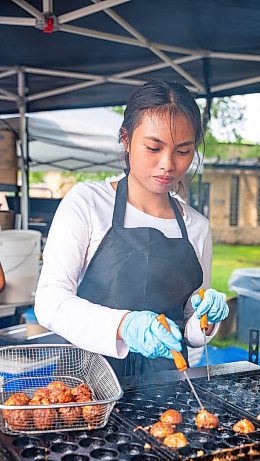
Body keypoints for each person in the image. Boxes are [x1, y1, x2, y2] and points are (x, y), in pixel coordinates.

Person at [35, 80, 229, 377]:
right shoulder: (87, 202)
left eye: (183, 151)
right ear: (126, 139)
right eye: (153, 147)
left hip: (167, 389)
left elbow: (191, 328)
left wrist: (206, 321)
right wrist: (125, 325)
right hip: (90, 385)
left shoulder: (196, 227)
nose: (167, 164)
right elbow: (50, 301)